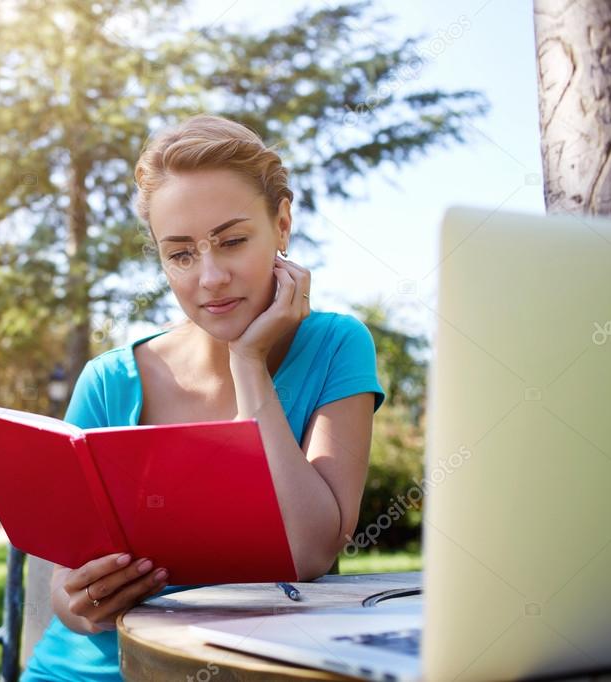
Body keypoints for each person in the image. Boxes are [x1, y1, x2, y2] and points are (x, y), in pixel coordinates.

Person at [21, 114, 386, 681]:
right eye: (182, 254)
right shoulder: (109, 382)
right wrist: (85, 602)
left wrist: (249, 363)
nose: (210, 276)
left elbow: (312, 551)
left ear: (282, 224)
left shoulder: (337, 346)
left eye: (232, 241)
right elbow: (65, 600)